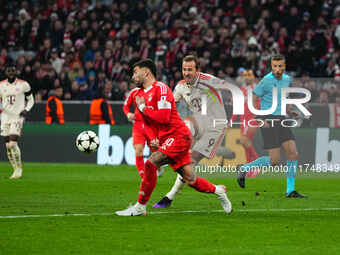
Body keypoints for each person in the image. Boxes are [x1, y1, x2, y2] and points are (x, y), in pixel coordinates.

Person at [115, 59, 232, 216]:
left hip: (178, 136)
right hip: (167, 138)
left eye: (135, 72)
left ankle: (140, 206)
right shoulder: (140, 94)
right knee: (190, 179)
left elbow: (163, 118)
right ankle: (218, 191)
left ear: (146, 72)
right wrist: (153, 137)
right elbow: (145, 122)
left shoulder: (161, 89)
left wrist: (143, 107)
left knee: (151, 163)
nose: (133, 76)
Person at [153, 55, 235, 209]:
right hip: (198, 123)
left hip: (215, 126)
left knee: (189, 163)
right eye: (184, 69)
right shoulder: (181, 87)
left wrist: (231, 109)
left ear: (197, 70)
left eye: (190, 69)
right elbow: (169, 105)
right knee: (183, 140)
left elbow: (230, 88)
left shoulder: (208, 80)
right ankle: (169, 191)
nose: (186, 72)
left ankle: (169, 197)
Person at [237, 54, 307, 198]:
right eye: (275, 66)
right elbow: (253, 99)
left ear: (284, 66)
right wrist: (260, 118)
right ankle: (244, 168)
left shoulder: (287, 80)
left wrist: (290, 111)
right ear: (271, 66)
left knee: (293, 153)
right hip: (268, 120)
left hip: (281, 120)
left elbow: (283, 98)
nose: (278, 69)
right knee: (275, 160)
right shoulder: (266, 81)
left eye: (280, 66)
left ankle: (290, 190)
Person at [0, 63, 34, 179]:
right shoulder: (1, 85)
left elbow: (31, 100)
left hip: (17, 116)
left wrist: (26, 109)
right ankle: (14, 168)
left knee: (13, 143)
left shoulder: (24, 85)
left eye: (13, 70)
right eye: (8, 71)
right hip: (4, 117)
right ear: (6, 72)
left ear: (16, 72)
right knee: (7, 146)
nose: (11, 73)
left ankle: (19, 168)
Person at [123, 83, 164, 179]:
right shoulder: (134, 92)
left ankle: (159, 168)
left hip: (152, 125)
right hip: (138, 126)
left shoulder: (155, 91)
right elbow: (125, 106)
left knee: (155, 152)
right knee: (138, 150)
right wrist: (128, 114)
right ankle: (143, 176)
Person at [230, 69, 259, 177]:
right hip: (243, 120)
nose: (247, 78)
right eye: (245, 76)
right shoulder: (242, 90)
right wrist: (231, 121)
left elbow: (260, 104)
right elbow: (237, 108)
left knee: (244, 141)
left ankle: (257, 164)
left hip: (252, 119)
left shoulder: (256, 89)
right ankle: (249, 168)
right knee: (245, 145)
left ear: (253, 77)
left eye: (249, 76)